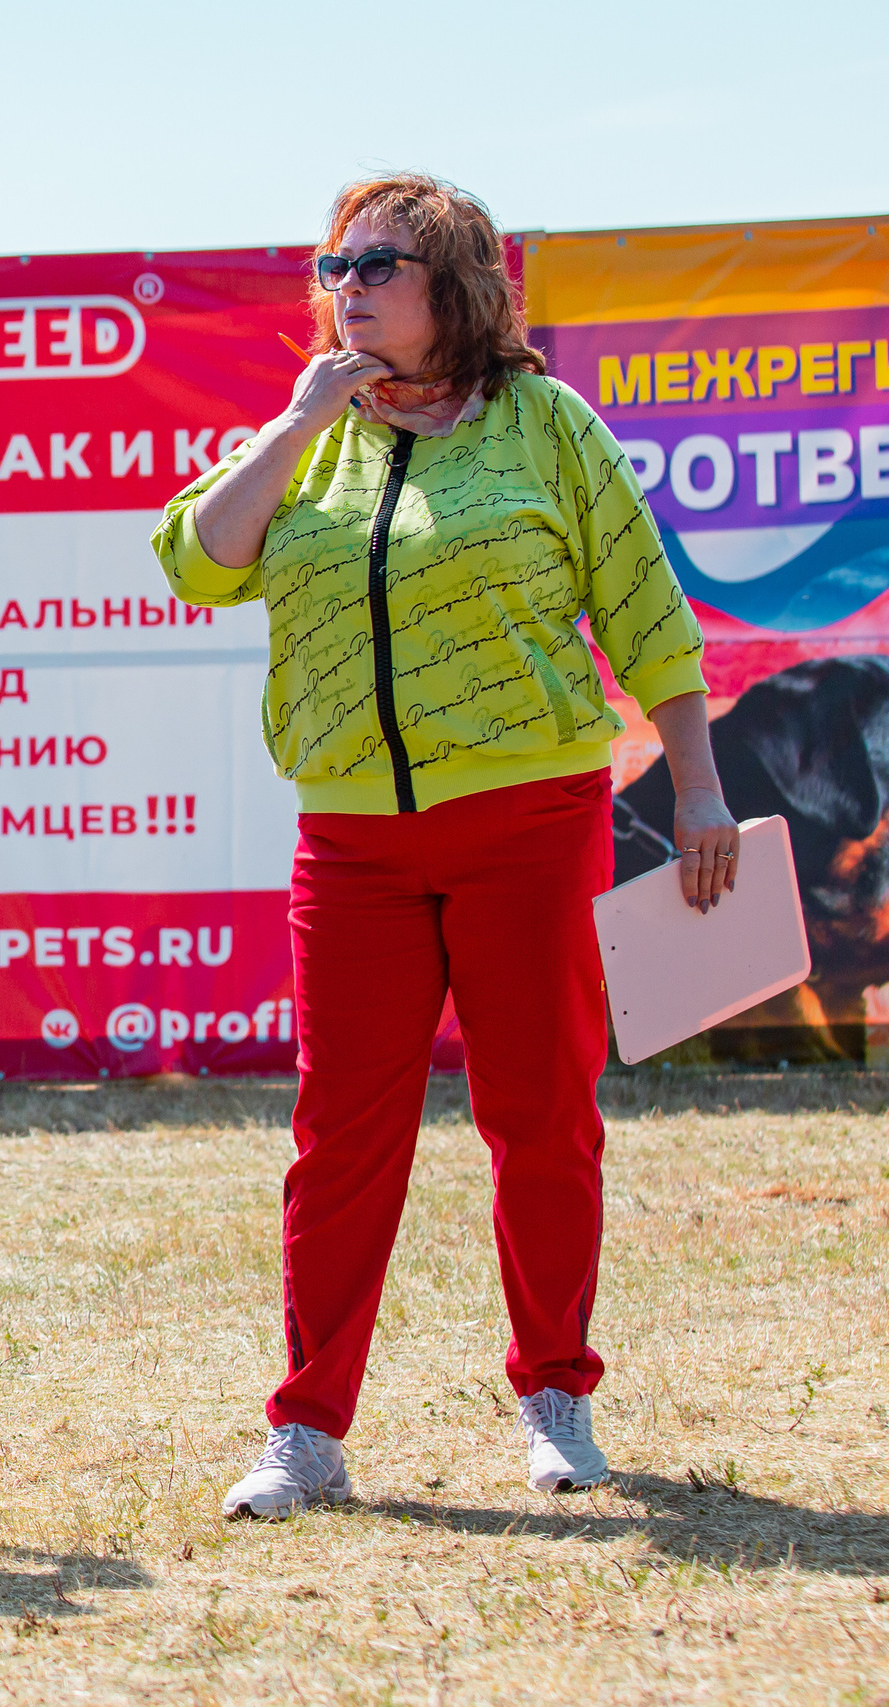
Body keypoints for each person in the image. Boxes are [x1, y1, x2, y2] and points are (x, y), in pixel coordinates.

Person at [152, 175, 738, 1518]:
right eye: (332, 263)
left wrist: (697, 786)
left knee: (539, 1113)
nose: (346, 284)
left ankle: (557, 1395)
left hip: (529, 821)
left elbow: (647, 612)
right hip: (351, 839)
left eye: (380, 265)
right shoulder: (312, 434)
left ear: (456, 287)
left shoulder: (545, 425)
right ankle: (306, 1430)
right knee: (339, 1136)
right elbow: (195, 558)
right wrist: (298, 420)